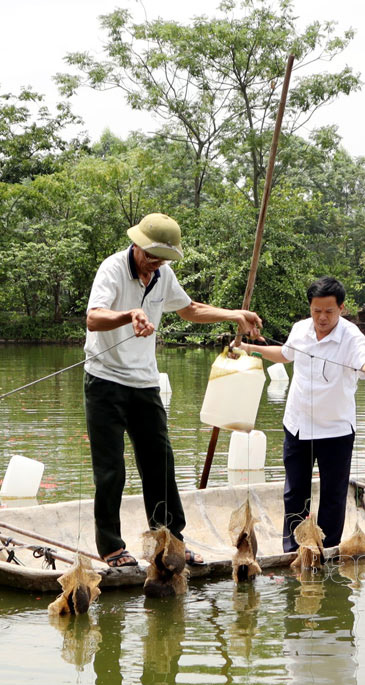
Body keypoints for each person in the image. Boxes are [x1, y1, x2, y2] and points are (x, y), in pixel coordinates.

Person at [84, 212, 262, 567]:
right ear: (136, 245)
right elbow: (93, 317)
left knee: (160, 464)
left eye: (162, 259)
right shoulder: (113, 268)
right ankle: (111, 547)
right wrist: (129, 314)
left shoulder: (163, 275)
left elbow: (189, 309)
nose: (155, 265)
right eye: (150, 257)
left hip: (144, 383)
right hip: (104, 381)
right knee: (110, 470)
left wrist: (234, 315)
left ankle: (170, 542)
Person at [238, 277, 365, 552]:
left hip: (335, 430)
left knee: (333, 496)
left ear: (342, 308)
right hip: (298, 426)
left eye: (329, 311)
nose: (322, 318)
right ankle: (293, 549)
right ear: (310, 307)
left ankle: (327, 549)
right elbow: (285, 354)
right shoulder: (300, 330)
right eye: (316, 311)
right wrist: (251, 349)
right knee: (294, 492)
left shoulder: (351, 337)